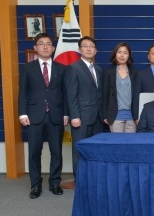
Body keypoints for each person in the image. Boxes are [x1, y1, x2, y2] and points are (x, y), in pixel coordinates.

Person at [18, 33, 67, 199]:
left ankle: (54, 183)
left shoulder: (61, 68)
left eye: (48, 44)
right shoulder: (27, 68)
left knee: (56, 152)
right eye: (41, 44)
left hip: (56, 115)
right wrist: (22, 113)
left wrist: (66, 113)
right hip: (34, 116)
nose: (45, 46)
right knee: (34, 152)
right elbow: (23, 92)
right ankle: (35, 185)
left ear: (53, 48)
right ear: (35, 48)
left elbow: (65, 93)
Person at [66, 36, 103, 179]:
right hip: (81, 117)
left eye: (91, 46)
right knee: (79, 149)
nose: (89, 49)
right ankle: (79, 179)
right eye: (85, 46)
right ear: (79, 49)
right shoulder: (73, 68)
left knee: (94, 149)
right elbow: (71, 95)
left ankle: (93, 178)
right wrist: (74, 116)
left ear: (96, 51)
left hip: (97, 117)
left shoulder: (98, 69)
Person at [103, 42, 137, 132]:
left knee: (131, 145)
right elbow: (104, 95)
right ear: (115, 54)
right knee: (117, 145)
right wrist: (105, 115)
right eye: (119, 52)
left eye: (125, 53)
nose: (122, 55)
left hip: (132, 117)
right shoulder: (108, 73)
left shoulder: (134, 73)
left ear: (129, 55)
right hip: (115, 117)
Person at [132, 44, 154, 121]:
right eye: (153, 54)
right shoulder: (140, 74)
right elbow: (136, 97)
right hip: (146, 113)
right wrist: (136, 117)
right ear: (148, 57)